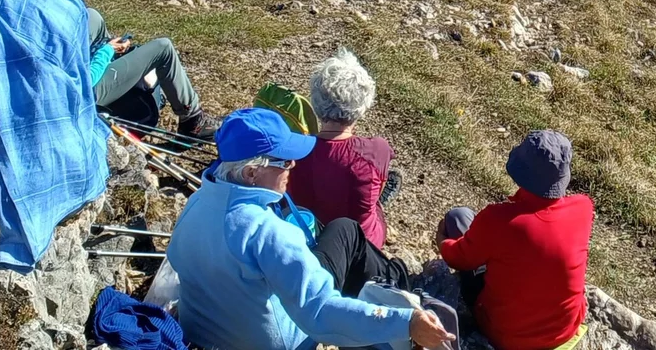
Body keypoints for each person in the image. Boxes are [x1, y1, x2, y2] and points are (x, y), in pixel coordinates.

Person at [168, 108, 451, 350]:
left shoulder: (196, 203)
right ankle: (406, 294)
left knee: (342, 232)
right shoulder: (268, 232)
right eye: (284, 161)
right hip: (274, 342)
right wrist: (405, 323)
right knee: (346, 232)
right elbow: (319, 312)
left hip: (204, 333)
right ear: (252, 173)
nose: (293, 165)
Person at [28, 0, 217, 139]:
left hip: (44, 96)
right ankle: (193, 121)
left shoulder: (28, 11)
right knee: (163, 48)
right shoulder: (68, 18)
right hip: (78, 96)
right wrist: (107, 51)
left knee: (93, 17)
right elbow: (84, 78)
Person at [438, 129, 594, 350]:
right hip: (565, 330)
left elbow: (458, 258)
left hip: (507, 335)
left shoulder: (500, 219)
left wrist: (442, 242)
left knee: (459, 217)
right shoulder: (583, 208)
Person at [287, 49, 394, 248]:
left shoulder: (295, 149)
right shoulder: (376, 150)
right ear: (363, 102)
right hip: (361, 244)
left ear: (316, 101)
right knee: (375, 198)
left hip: (307, 234)